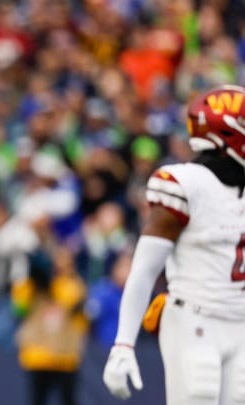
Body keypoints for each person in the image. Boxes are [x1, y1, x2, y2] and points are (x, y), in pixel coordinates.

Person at [102, 84, 245, 404]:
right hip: (196, 321)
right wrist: (124, 342)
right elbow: (143, 269)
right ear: (229, 134)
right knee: (199, 396)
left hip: (241, 324)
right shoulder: (186, 184)